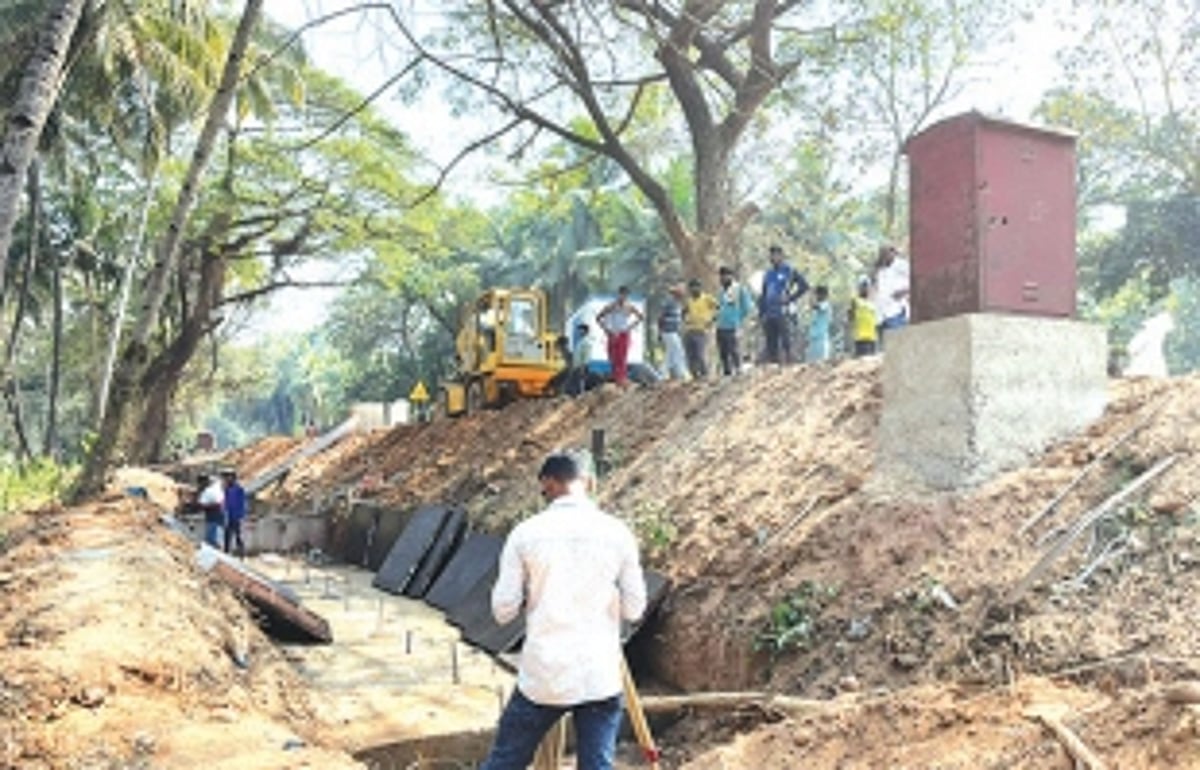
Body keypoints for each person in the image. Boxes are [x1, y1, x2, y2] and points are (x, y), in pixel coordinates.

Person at [480, 452, 647, 770]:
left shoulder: (525, 534)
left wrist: (534, 596)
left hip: (545, 675)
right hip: (599, 676)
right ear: (589, 482)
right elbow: (635, 609)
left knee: (504, 762)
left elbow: (503, 610)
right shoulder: (618, 533)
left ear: (548, 484)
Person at [758, 245, 809, 364]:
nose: (772, 257)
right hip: (769, 313)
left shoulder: (789, 271)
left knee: (786, 341)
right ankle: (773, 368)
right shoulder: (768, 274)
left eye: (775, 254)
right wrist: (761, 312)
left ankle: (790, 367)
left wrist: (790, 298)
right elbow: (763, 293)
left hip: (783, 311)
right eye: (771, 255)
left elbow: (804, 286)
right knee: (771, 343)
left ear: (781, 256)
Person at [595, 286, 644, 388]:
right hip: (613, 333)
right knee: (613, 356)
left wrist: (630, 327)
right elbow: (598, 317)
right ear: (619, 294)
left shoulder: (629, 306)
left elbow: (640, 317)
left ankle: (621, 378)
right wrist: (606, 330)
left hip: (623, 333)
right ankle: (616, 378)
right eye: (622, 294)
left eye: (625, 295)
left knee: (622, 357)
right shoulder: (612, 306)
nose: (623, 296)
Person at [714, 266, 753, 376]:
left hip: (733, 326)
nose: (722, 278)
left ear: (730, 276)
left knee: (734, 350)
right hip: (720, 325)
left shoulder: (738, 289)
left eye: (725, 276)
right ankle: (727, 373)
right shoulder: (721, 291)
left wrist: (738, 318)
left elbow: (747, 307)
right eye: (721, 276)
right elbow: (720, 307)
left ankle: (739, 371)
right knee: (723, 353)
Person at [873, 244, 911, 345]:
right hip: (882, 314)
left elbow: (914, 280)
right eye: (882, 253)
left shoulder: (901, 265)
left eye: (887, 252)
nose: (885, 256)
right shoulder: (881, 270)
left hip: (897, 311)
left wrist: (903, 291)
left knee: (899, 342)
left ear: (893, 253)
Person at [682, 278, 719, 380]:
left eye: (696, 287)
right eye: (692, 287)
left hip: (701, 330)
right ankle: (695, 377)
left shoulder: (707, 298)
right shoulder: (689, 301)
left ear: (700, 288)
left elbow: (719, 308)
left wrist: (712, 320)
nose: (694, 289)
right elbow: (683, 312)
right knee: (690, 356)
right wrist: (685, 320)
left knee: (700, 354)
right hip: (689, 330)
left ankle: (704, 376)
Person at [657, 286, 688, 381]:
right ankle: (681, 373)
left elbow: (679, 318)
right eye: (680, 294)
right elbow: (660, 318)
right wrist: (660, 332)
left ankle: (663, 373)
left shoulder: (678, 304)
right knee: (678, 351)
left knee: (670, 353)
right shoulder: (669, 303)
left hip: (674, 331)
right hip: (668, 331)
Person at [848, 277, 879, 357]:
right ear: (859, 288)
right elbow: (850, 317)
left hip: (872, 338)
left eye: (867, 286)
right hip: (861, 338)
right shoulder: (855, 300)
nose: (865, 288)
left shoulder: (873, 302)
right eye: (863, 286)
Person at [222, 469, 247, 558]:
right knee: (227, 536)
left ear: (233, 477)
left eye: (228, 477)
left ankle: (241, 554)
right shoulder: (226, 489)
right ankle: (226, 553)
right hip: (229, 516)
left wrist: (241, 516)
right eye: (225, 477)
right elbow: (225, 503)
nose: (226, 479)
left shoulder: (239, 489)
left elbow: (243, 503)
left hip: (237, 517)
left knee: (238, 537)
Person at [197, 473, 225, 548]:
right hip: (218, 517)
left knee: (212, 539)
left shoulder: (208, 491)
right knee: (217, 538)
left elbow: (202, 505)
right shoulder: (216, 487)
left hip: (213, 518)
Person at [807, 285, 832, 362]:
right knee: (811, 364)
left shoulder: (826, 305)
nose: (817, 296)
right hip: (813, 339)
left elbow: (814, 306)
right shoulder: (817, 308)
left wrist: (810, 293)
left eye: (818, 294)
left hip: (821, 340)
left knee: (821, 363)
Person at [571, 323, 593, 396]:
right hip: (577, 365)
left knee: (582, 381)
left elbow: (586, 355)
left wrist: (583, 366)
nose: (579, 332)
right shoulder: (580, 341)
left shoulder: (586, 342)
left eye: (581, 330)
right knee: (577, 381)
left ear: (585, 331)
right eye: (579, 330)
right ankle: (578, 395)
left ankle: (582, 395)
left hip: (582, 365)